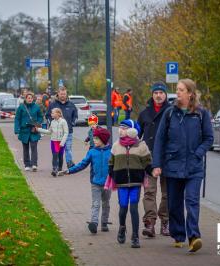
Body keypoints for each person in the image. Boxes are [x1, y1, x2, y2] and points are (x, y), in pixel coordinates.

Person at [152, 79, 213, 253]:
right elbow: (160, 140)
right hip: (173, 165)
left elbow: (209, 138)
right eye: (177, 89)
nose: (177, 92)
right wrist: (157, 164)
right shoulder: (170, 113)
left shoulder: (201, 114)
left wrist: (198, 154)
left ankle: (194, 236)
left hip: (194, 166)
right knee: (174, 203)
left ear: (190, 93)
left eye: (181, 90)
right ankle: (178, 234)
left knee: (192, 201)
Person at [109, 119, 152, 248]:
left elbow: (147, 162)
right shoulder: (116, 145)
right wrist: (113, 175)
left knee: (133, 209)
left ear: (132, 131)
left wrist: (153, 171)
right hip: (121, 183)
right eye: (120, 127)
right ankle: (122, 228)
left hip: (135, 182)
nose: (121, 130)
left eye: (124, 127)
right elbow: (111, 163)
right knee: (123, 209)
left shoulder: (141, 145)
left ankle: (135, 236)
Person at [60, 128, 112, 234]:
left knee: (106, 203)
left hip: (108, 183)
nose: (94, 141)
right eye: (93, 138)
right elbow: (82, 164)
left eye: (96, 139)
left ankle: (104, 222)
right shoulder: (92, 152)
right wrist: (69, 171)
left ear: (103, 140)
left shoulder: (112, 152)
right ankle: (94, 223)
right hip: (95, 183)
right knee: (96, 203)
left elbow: (116, 167)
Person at [138, 81, 171, 238]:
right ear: (152, 95)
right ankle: (150, 223)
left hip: (168, 157)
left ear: (165, 95)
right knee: (149, 191)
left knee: (168, 193)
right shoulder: (144, 113)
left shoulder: (171, 112)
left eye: (161, 93)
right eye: (156, 93)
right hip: (149, 158)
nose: (158, 95)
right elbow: (136, 136)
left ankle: (165, 222)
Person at [46, 86, 78, 168]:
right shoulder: (53, 105)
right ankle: (56, 166)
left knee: (68, 148)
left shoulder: (71, 105)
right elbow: (48, 115)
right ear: (58, 94)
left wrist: (73, 123)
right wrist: (51, 124)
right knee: (57, 151)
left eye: (64, 94)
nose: (63, 95)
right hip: (56, 133)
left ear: (66, 94)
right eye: (61, 94)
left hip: (68, 132)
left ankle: (69, 164)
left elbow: (75, 115)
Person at [14, 91, 43, 172]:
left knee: (34, 147)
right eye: (28, 98)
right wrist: (17, 129)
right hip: (24, 130)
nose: (30, 99)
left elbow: (41, 117)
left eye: (31, 98)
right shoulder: (21, 107)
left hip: (34, 130)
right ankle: (27, 164)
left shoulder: (36, 107)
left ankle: (34, 164)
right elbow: (17, 118)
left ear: (33, 99)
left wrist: (38, 124)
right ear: (25, 99)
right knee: (25, 147)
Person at [38, 108, 69, 176]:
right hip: (54, 141)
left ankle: (60, 169)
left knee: (60, 156)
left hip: (61, 142)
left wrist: (62, 142)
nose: (51, 114)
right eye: (51, 113)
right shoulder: (52, 122)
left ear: (58, 114)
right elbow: (49, 132)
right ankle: (54, 169)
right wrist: (39, 129)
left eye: (52, 113)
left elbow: (66, 133)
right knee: (55, 155)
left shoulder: (63, 121)